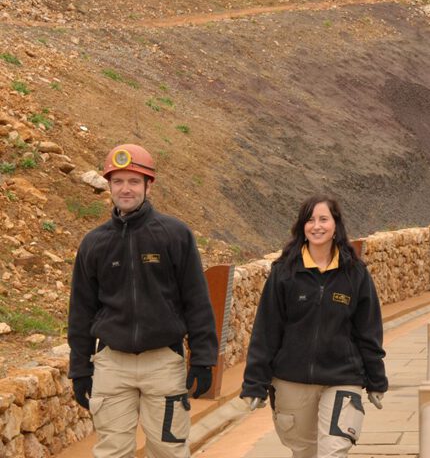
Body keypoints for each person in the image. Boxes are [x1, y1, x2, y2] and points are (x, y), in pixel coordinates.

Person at [67, 143, 218, 458]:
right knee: (112, 452)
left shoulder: (175, 234)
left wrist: (204, 359)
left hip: (163, 364)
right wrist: (80, 368)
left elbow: (197, 300)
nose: (126, 189)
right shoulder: (94, 243)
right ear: (108, 184)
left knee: (169, 450)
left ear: (149, 185)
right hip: (111, 365)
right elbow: (81, 310)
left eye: (134, 181)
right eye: (118, 181)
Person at [240, 194, 388, 458]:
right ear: (301, 227)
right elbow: (266, 331)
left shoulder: (355, 273)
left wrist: (376, 380)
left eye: (323, 219)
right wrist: (255, 383)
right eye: (310, 220)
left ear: (336, 226)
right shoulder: (284, 272)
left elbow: (368, 331)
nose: (317, 226)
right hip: (291, 381)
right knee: (305, 453)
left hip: (342, 379)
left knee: (332, 453)